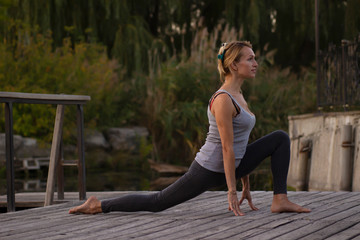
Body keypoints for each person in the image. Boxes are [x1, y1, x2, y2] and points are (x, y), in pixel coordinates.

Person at [69, 41, 311, 216]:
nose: (256, 63)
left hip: (234, 164)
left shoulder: (239, 94)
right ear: (234, 65)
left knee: (279, 138)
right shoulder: (224, 99)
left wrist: (246, 184)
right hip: (209, 168)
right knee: (158, 202)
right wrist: (231, 190)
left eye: (255, 58)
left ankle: (280, 198)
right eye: (250, 59)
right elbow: (227, 148)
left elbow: (240, 141)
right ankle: (98, 205)